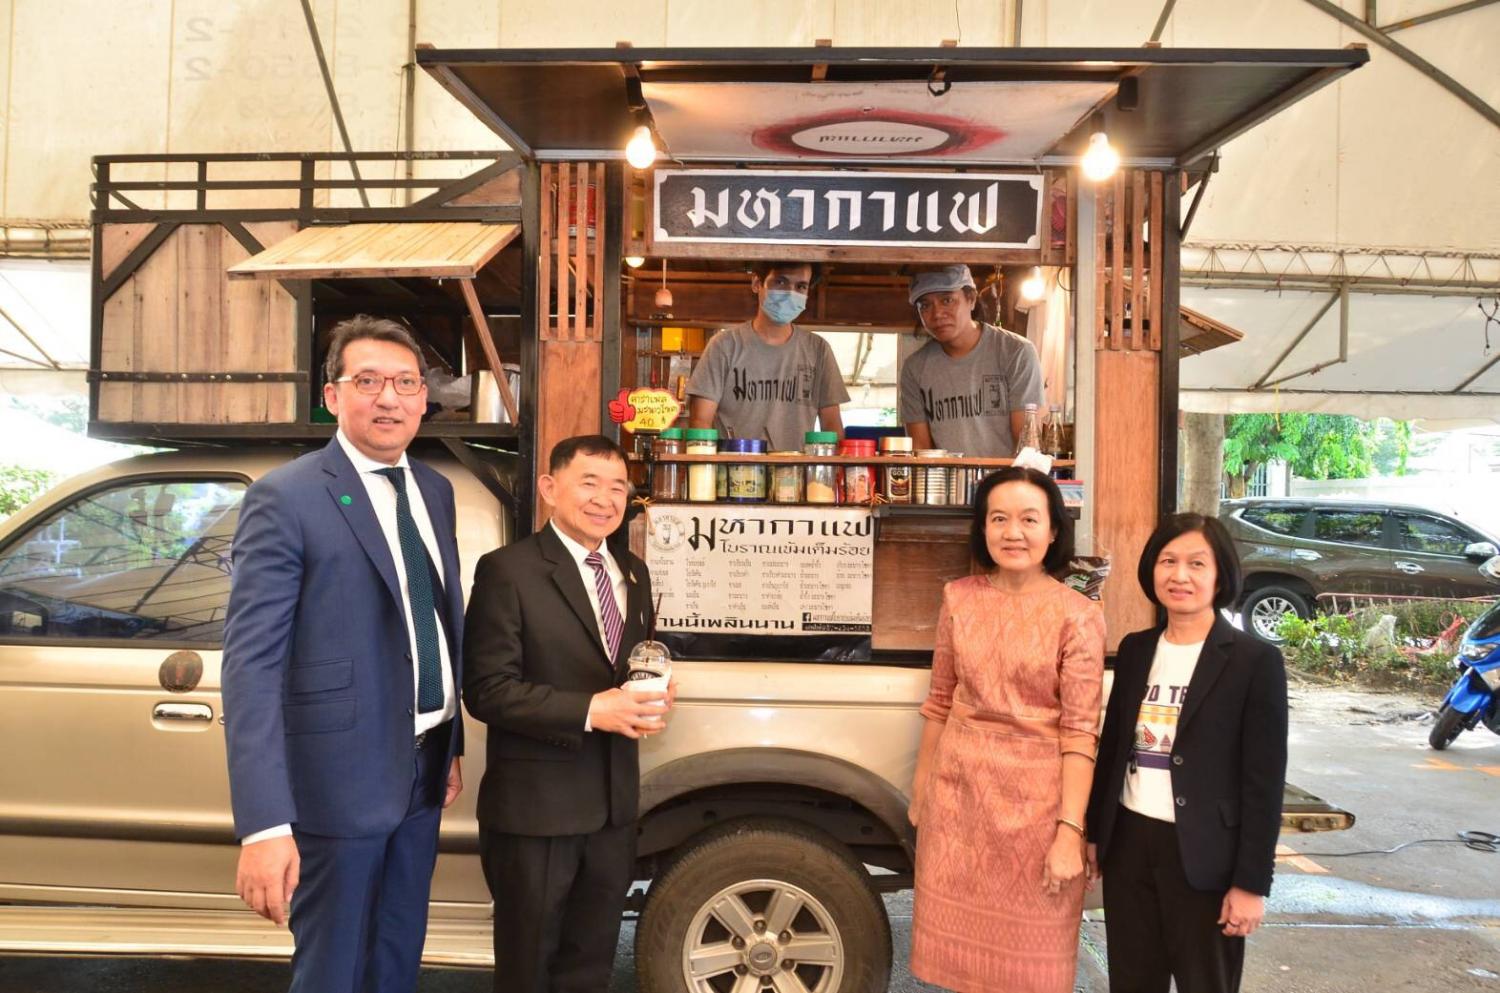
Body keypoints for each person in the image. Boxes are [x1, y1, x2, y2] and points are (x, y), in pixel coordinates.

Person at [222, 315, 466, 993]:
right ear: (333, 395)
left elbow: (434, 621)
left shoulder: (434, 491)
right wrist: (265, 823)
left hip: (420, 773)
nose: (388, 397)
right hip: (335, 785)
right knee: (332, 970)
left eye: (405, 382)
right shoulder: (287, 496)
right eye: (368, 381)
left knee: (395, 960)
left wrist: (450, 742)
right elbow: (252, 666)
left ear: (424, 397)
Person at [463, 435, 671, 993]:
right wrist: (592, 711)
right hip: (536, 813)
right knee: (529, 967)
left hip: (612, 810)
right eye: (589, 483)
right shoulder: (508, 570)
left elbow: (625, 670)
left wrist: (649, 696)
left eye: (618, 487)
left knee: (590, 965)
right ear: (550, 489)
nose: (605, 499)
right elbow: (486, 690)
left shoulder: (634, 571)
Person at [909, 466, 1106, 993]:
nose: (1012, 532)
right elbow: (940, 703)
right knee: (962, 970)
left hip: (1038, 812)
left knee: (1033, 970)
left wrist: (1071, 830)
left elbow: (1082, 731)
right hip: (960, 803)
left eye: (1028, 519)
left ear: (1053, 531)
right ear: (983, 527)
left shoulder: (1079, 615)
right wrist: (921, 789)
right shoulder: (958, 598)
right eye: (999, 518)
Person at [1085, 514, 1289, 993]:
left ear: (1220, 575)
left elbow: (1263, 782)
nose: (1180, 576)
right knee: (1132, 982)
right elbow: (1114, 748)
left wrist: (1251, 884)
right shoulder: (1136, 650)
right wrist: (1097, 832)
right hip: (1130, 846)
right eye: (1168, 561)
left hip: (1206, 856)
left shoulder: (1253, 661)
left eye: (1197, 563)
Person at [687, 260, 848, 450]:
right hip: (735, 474)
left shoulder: (819, 350)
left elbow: (832, 426)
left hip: (797, 474)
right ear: (756, 283)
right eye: (780, 282)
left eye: (801, 286)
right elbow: (700, 421)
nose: (791, 293)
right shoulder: (724, 346)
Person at [899, 264, 1046, 456]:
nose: (937, 314)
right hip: (946, 484)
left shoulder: (1016, 352)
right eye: (925, 305)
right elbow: (921, 451)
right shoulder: (915, 368)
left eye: (947, 300)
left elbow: (1027, 445)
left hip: (1005, 482)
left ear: (971, 299)